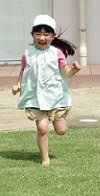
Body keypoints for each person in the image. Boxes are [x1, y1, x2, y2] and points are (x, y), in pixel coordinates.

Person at [12, 15, 81, 166]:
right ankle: (45, 159)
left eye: (46, 34)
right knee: (42, 128)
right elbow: (24, 69)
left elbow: (65, 72)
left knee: (61, 131)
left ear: (53, 36)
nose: (42, 38)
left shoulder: (56, 53)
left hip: (55, 97)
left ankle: (58, 119)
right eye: (38, 34)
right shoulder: (28, 54)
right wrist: (18, 84)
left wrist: (73, 71)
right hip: (35, 97)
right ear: (32, 35)